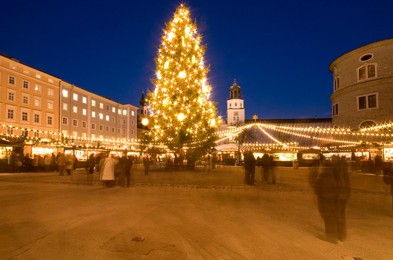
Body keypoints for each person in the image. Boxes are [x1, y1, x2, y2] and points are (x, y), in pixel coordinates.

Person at [310, 155, 350, 243]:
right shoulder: (343, 169)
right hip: (342, 194)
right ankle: (341, 234)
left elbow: (321, 183)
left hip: (328, 195)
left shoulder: (327, 169)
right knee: (340, 214)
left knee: (328, 214)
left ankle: (331, 235)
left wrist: (316, 186)